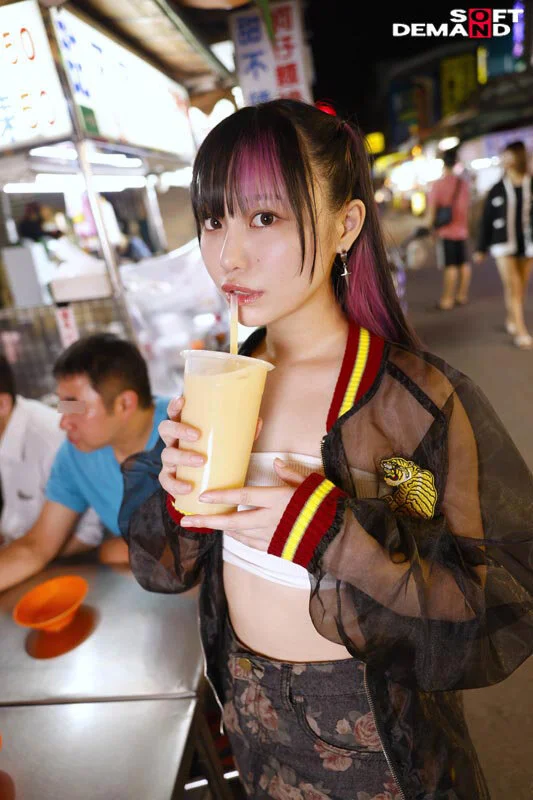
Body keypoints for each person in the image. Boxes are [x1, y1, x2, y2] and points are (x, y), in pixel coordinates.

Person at [119, 101, 533, 799]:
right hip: (247, 706)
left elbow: (487, 605)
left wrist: (329, 535)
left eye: (264, 218)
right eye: (214, 219)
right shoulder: (222, 380)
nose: (228, 255)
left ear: (346, 224)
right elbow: (168, 568)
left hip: (370, 728)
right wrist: (180, 497)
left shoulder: (412, 399)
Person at [0, 333, 169, 593]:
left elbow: (201, 541)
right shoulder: (75, 455)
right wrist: (119, 549)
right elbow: (36, 547)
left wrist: (118, 549)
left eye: (75, 407)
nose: (63, 422)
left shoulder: (186, 428)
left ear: (124, 404)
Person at [0, 355, 100, 550]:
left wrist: (23, 555)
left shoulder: (51, 440)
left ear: (2, 405)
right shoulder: (8, 430)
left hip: (72, 560)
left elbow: (89, 534)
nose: (65, 422)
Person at [474, 139, 533, 349]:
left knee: (521, 287)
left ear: (518, 157)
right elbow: (486, 219)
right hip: (502, 244)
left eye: (508, 155)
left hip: (528, 244)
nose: (504, 159)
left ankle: (511, 317)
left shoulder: (530, 183)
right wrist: (481, 248)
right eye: (504, 155)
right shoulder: (497, 188)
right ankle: (521, 330)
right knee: (513, 285)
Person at [428, 147, 471, 310]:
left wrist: (431, 229)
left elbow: (432, 212)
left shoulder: (438, 185)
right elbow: (467, 207)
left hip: (446, 231)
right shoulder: (463, 184)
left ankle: (447, 299)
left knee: (450, 265)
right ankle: (462, 295)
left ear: (443, 164)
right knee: (464, 263)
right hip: (462, 230)